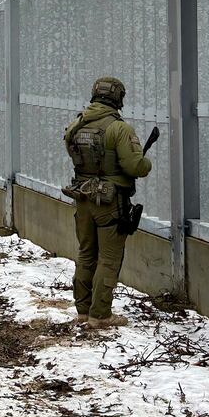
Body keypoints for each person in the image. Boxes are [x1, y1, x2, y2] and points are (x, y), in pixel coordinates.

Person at [63, 77, 152, 329]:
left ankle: (83, 310)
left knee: (86, 253)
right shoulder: (119, 129)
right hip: (110, 203)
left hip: (82, 199)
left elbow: (72, 151)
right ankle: (100, 315)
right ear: (118, 98)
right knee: (109, 258)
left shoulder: (76, 125)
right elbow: (135, 166)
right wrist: (145, 162)